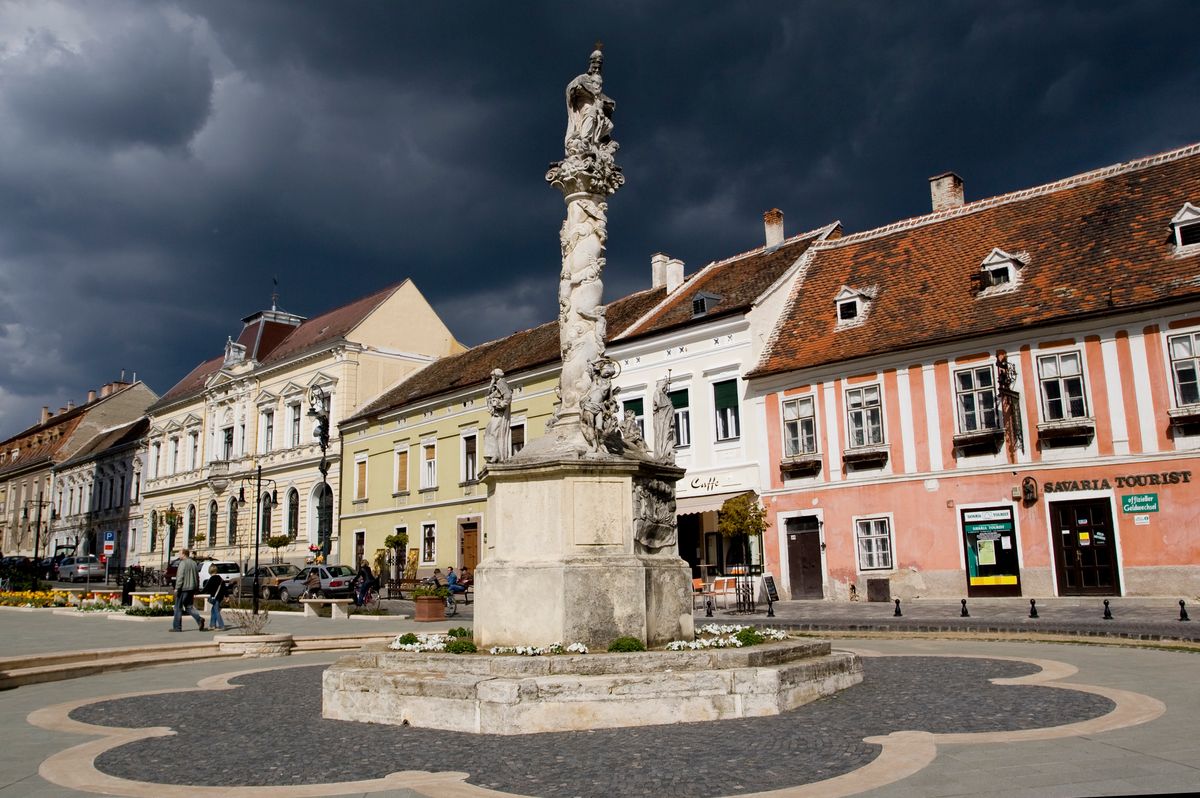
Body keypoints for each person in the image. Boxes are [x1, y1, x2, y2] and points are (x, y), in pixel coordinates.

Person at [171, 549, 205, 632]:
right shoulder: (194, 563)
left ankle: (177, 627)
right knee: (189, 606)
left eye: (180, 554)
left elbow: (180, 576)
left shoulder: (182, 563)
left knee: (178, 608)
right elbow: (197, 576)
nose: (179, 555)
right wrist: (196, 587)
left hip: (183, 588)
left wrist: (177, 588)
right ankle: (199, 619)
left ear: (184, 554)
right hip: (192, 588)